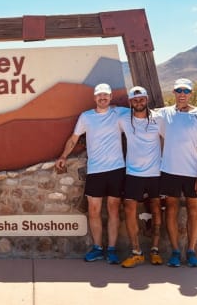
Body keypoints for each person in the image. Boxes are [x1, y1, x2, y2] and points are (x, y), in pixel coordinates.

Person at [55, 83, 126, 264]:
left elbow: (142, 117)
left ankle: (111, 249)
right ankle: (97, 248)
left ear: (110, 98)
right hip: (95, 170)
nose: (102, 98)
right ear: (95, 98)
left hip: (116, 170)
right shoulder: (86, 117)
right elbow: (73, 139)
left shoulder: (120, 113)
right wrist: (63, 156)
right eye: (99, 95)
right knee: (94, 211)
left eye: (106, 95)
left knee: (113, 210)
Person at [157, 78, 197, 267]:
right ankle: (174, 251)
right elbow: (141, 117)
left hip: (192, 172)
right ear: (173, 92)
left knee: (193, 210)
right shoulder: (164, 114)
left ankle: (190, 250)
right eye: (179, 90)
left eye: (186, 91)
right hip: (169, 170)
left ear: (190, 94)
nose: (182, 94)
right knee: (170, 209)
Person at [118, 86, 164, 267]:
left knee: (156, 208)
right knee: (129, 208)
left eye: (142, 99)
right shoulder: (123, 119)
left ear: (147, 99)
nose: (139, 102)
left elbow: (170, 138)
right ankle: (136, 251)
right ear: (130, 102)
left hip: (155, 172)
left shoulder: (158, 119)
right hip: (133, 173)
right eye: (135, 100)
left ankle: (155, 250)